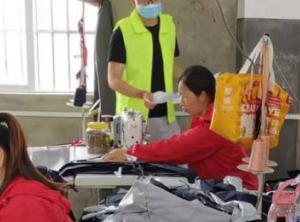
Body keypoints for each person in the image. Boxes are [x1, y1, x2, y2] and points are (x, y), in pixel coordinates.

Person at [103, 65, 256, 189]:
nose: (181, 102)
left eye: (185, 96)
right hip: (217, 186)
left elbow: (175, 148)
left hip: (236, 193)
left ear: (202, 96)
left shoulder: (215, 125)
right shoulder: (207, 115)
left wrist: (131, 153)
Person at [108, 0, 181, 142]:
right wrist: (141, 94)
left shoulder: (169, 26)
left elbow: (170, 67)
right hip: (133, 119)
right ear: (133, 0)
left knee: (175, 158)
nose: (150, 4)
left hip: (166, 116)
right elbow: (113, 80)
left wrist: (194, 80)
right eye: (144, 0)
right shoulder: (123, 30)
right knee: (134, 159)